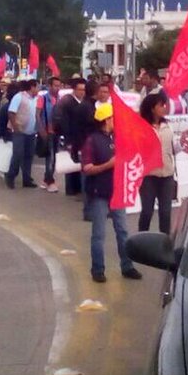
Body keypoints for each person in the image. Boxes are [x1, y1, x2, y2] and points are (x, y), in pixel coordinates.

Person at [81, 103, 141, 283]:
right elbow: (87, 168)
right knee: (99, 233)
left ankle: (127, 266)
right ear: (106, 119)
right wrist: (108, 165)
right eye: (113, 117)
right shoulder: (92, 140)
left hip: (117, 192)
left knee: (122, 231)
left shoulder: (117, 138)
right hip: (100, 193)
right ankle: (98, 269)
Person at [138, 92, 177, 234]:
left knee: (165, 213)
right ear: (152, 108)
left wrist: (182, 143)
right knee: (147, 211)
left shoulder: (168, 126)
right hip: (148, 175)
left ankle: (164, 243)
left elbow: (174, 148)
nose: (164, 108)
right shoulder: (142, 127)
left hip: (166, 175)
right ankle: (141, 240)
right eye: (161, 105)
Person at [54, 78, 88, 196]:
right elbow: (62, 121)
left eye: (84, 89)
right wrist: (67, 138)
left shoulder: (84, 102)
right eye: (80, 89)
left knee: (79, 163)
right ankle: (71, 189)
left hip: (81, 137)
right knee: (71, 163)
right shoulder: (67, 101)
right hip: (70, 136)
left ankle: (78, 188)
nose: (82, 92)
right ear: (74, 89)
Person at [6, 80, 39, 189]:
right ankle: (10, 176)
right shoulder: (19, 96)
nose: (38, 90)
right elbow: (11, 112)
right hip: (19, 131)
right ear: (32, 87)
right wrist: (15, 127)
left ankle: (27, 178)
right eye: (37, 87)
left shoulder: (36, 99)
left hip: (31, 132)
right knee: (18, 154)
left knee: (29, 156)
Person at [38, 76, 61, 192]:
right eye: (55, 85)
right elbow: (37, 115)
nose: (57, 88)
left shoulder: (60, 99)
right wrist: (42, 130)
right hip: (47, 132)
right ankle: (50, 181)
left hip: (57, 132)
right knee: (50, 158)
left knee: (53, 158)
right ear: (50, 86)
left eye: (59, 86)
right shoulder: (43, 98)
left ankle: (46, 180)